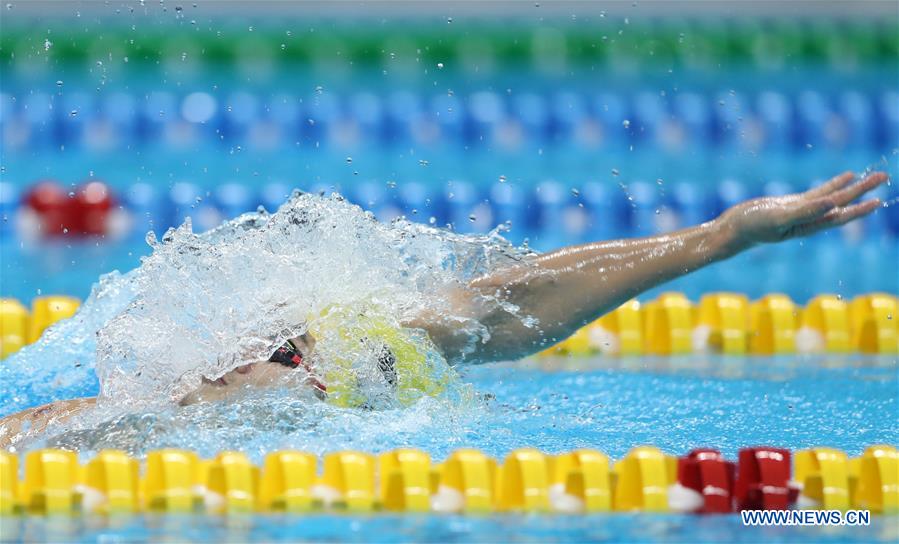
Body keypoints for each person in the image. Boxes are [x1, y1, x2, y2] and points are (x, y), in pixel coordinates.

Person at [0, 170, 888, 448]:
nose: (291, 365)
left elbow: (508, 305)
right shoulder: (148, 412)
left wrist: (717, 239)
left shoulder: (365, 348)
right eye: (284, 354)